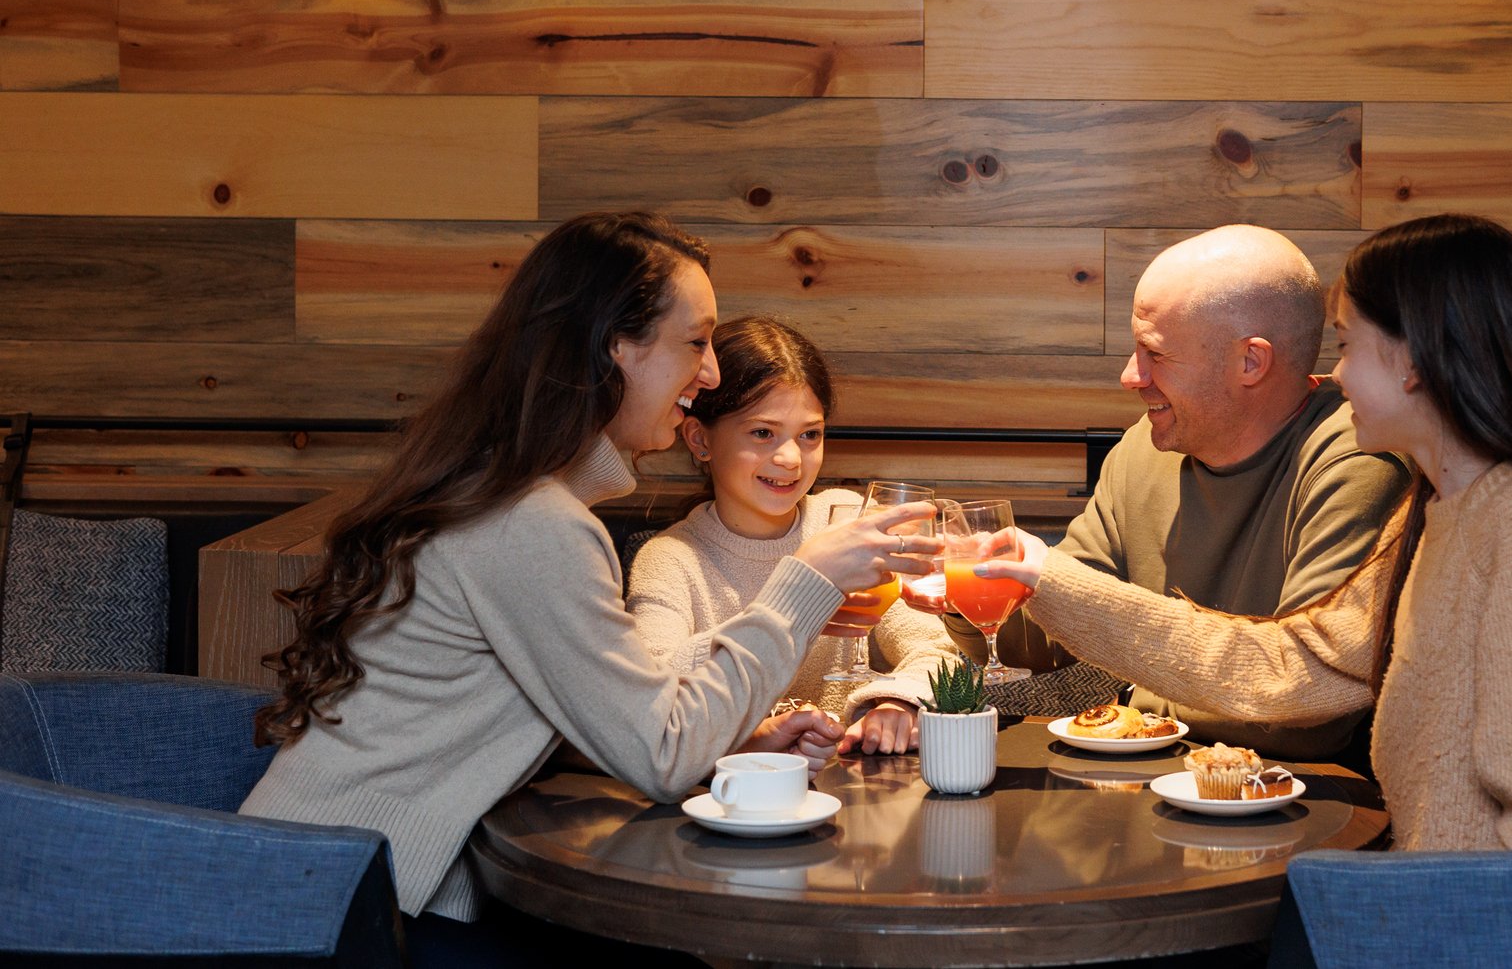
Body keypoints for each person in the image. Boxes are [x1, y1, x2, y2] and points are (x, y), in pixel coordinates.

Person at [239, 211, 939, 945]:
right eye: (695, 342)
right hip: (347, 907)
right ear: (615, 349)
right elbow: (661, 756)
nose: (711, 375)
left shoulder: (510, 495)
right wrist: (801, 584)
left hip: (344, 876)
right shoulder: (534, 524)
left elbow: (582, 711)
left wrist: (732, 744)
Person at [980, 214, 1512, 850]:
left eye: (1349, 344)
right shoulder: (1440, 515)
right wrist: (1038, 577)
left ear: (1413, 361)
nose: (1334, 373)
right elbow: (1290, 668)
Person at [953, 224, 1409, 761]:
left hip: (1291, 807)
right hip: (1147, 792)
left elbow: (1304, 714)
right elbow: (1048, 640)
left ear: (1250, 362)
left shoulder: (1359, 461)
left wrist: (1141, 703)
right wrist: (965, 594)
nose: (1130, 376)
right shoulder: (1144, 449)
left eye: (1155, 354)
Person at [626, 316, 957, 756]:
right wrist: (794, 602)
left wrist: (897, 700)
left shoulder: (845, 525)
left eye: (810, 435)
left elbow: (939, 651)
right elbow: (652, 687)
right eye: (762, 433)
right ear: (699, 438)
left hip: (853, 790)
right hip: (732, 801)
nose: (789, 459)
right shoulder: (670, 558)